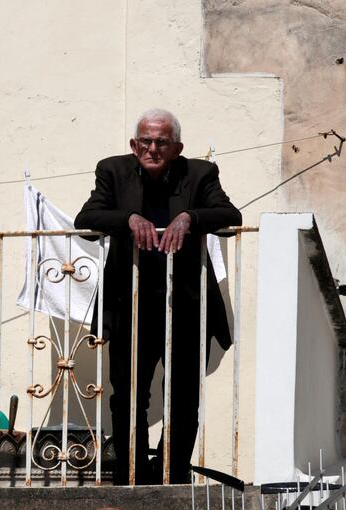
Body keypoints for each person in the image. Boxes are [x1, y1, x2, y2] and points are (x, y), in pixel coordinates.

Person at [74, 109, 241, 484]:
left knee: (182, 397)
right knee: (128, 396)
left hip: (184, 304)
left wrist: (190, 219)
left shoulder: (199, 174)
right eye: (146, 142)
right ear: (134, 146)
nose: (153, 148)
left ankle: (172, 472)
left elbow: (229, 214)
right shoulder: (112, 171)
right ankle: (131, 476)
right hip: (129, 303)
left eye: (161, 142)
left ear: (176, 147)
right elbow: (86, 219)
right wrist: (129, 219)